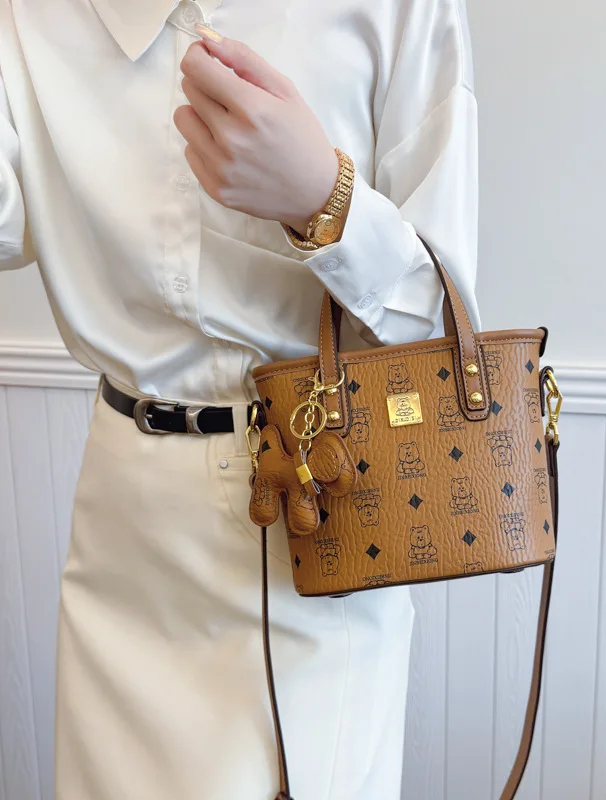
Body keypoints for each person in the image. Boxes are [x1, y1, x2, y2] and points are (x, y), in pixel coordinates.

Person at [0, 0, 479, 797]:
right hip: (128, 531)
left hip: (320, 502)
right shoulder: (32, 16)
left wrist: (326, 200)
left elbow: (438, 321)